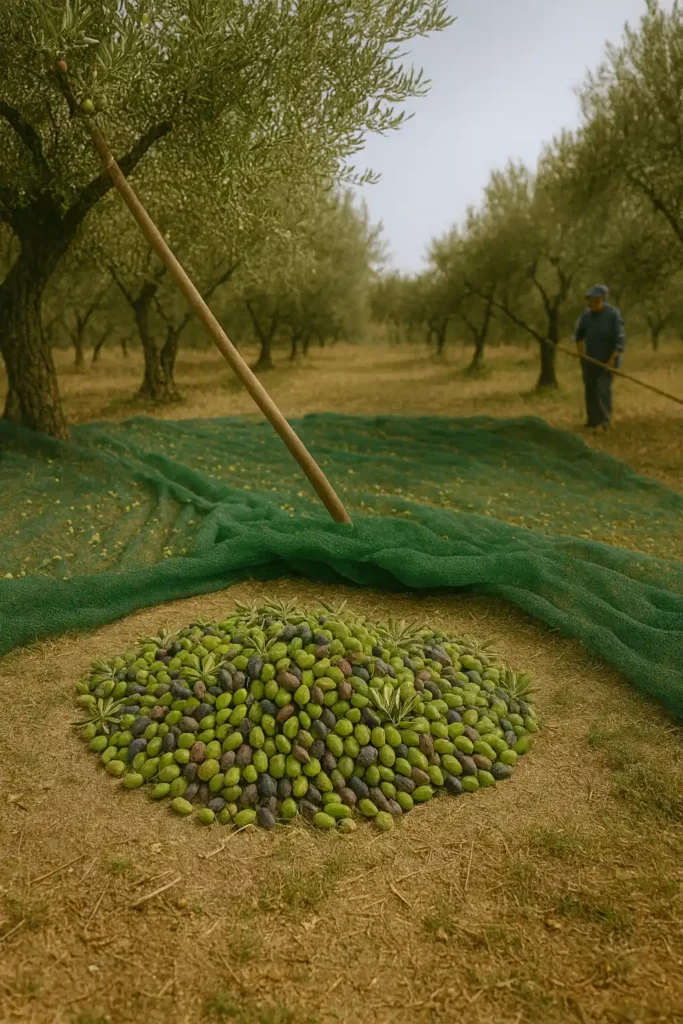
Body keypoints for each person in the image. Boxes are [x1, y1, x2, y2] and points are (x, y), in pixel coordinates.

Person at [574, 284, 626, 430]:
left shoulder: (613, 315)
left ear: (603, 299)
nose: (594, 303)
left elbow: (620, 340)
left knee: (602, 388)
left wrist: (612, 360)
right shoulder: (586, 316)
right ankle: (592, 420)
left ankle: (604, 421)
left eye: (597, 300)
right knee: (590, 388)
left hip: (608, 359)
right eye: (591, 300)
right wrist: (582, 356)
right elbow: (579, 337)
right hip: (590, 359)